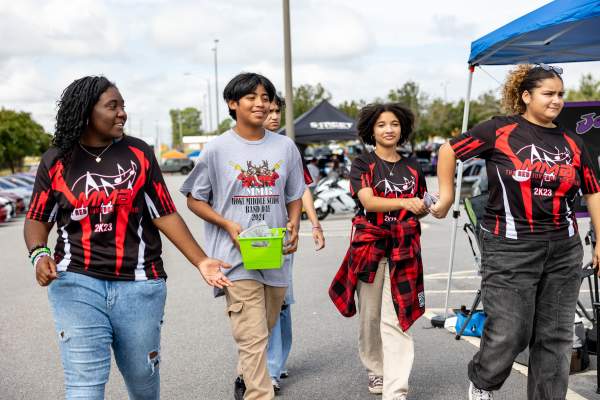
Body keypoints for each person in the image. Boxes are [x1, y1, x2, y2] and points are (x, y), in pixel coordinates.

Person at [24, 76, 231, 400]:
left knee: (142, 383)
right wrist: (39, 253)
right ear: (86, 112)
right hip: (75, 282)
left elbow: (164, 213)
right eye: (113, 106)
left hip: (139, 284)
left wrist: (201, 260)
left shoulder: (139, 153)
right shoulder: (56, 160)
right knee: (84, 385)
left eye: (123, 106)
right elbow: (37, 217)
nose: (122, 113)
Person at [430, 64, 600, 400]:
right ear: (526, 96)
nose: (556, 101)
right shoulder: (499, 130)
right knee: (511, 332)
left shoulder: (572, 142)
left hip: (563, 249)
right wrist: (448, 196)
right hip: (509, 248)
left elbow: (593, 190)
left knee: (555, 337)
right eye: (548, 94)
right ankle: (483, 381)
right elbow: (449, 150)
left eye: (561, 95)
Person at [180, 73, 306, 400]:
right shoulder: (218, 149)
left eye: (265, 97)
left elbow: (294, 194)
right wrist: (226, 224)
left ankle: (245, 377)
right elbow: (194, 198)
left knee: (261, 332)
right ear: (233, 104)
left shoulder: (285, 146)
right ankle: (257, 394)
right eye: (251, 97)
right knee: (251, 337)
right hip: (235, 257)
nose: (260, 103)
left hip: (275, 254)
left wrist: (294, 223)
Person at [329, 103, 429, 400]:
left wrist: (424, 207)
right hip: (370, 248)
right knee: (370, 318)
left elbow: (418, 208)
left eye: (395, 124)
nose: (389, 129)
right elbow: (369, 202)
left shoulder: (413, 166)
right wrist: (405, 204)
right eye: (382, 124)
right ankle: (376, 369)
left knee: (398, 317)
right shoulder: (363, 163)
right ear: (371, 130)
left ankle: (395, 389)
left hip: (404, 249)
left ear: (403, 129)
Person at [262, 94, 325, 393]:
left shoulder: (287, 148)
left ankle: (276, 364)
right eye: (268, 110)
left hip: (284, 234)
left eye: (277, 111)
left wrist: (312, 223)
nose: (273, 116)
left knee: (282, 302)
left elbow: (301, 190)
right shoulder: (242, 147)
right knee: (262, 301)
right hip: (253, 236)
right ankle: (267, 364)